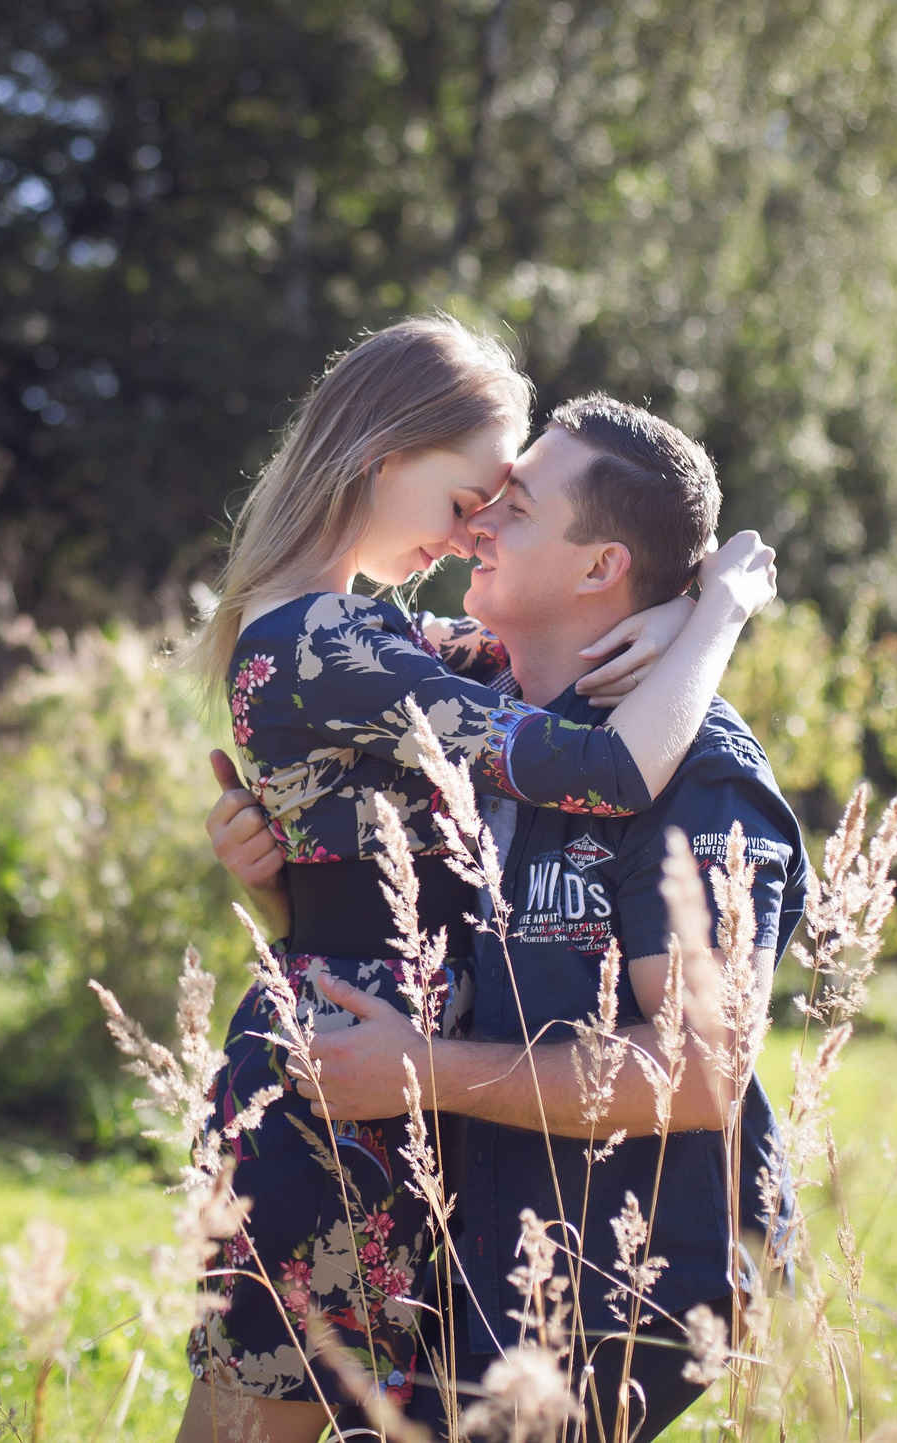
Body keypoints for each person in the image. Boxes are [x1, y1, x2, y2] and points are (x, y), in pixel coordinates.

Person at [183, 322, 779, 1443]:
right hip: (344, 1070)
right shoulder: (328, 639)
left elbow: (546, 647)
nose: (473, 532)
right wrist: (716, 615)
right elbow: (602, 764)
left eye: (500, 506)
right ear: (381, 454)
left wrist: (664, 604)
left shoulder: (371, 633)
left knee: (338, 1409)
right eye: (467, 498)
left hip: (388, 1075)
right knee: (260, 1410)